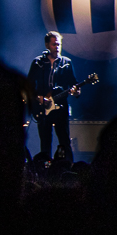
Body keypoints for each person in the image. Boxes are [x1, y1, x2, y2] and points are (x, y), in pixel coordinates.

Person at [27, 31, 80, 160]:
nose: (57, 47)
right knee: (45, 143)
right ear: (47, 45)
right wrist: (38, 98)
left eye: (59, 44)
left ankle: (67, 170)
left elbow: (74, 85)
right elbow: (28, 86)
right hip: (43, 109)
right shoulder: (38, 63)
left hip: (61, 108)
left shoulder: (66, 63)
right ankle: (45, 172)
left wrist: (76, 92)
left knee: (64, 141)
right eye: (54, 44)